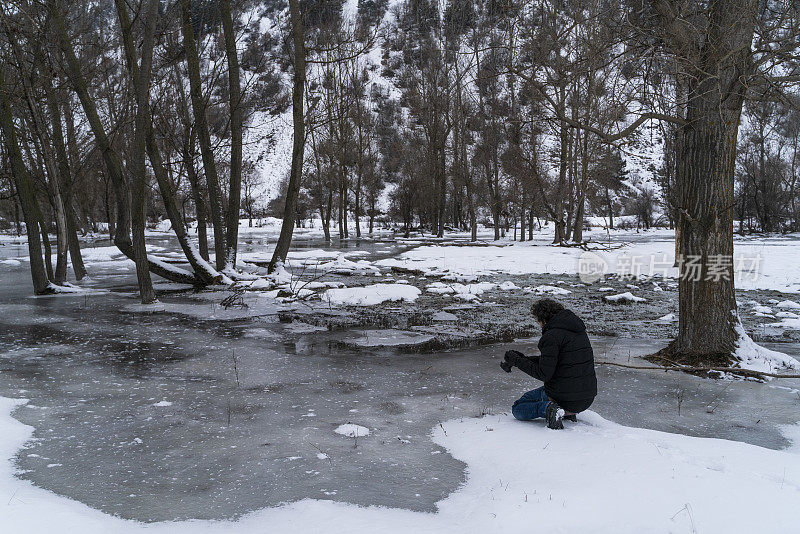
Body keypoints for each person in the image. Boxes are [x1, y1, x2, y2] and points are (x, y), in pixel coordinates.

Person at [501, 298, 597, 430]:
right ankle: (567, 413)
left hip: (565, 397)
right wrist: (523, 358)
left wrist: (518, 361)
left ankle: (550, 409)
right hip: (586, 397)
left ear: (543, 318)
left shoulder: (551, 336)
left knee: (519, 407)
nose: (539, 324)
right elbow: (557, 362)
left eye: (537, 320)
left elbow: (543, 373)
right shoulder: (578, 331)